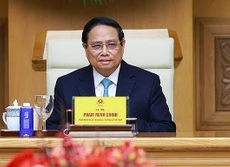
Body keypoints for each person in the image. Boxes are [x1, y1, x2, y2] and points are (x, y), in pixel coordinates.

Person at [46, 17, 176, 132]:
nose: (104, 52)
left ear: (123, 45)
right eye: (96, 46)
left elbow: (166, 128)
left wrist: (125, 124)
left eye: (111, 45)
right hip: (85, 156)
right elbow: (52, 127)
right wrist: (78, 128)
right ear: (85, 48)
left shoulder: (148, 82)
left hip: (130, 155)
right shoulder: (66, 84)